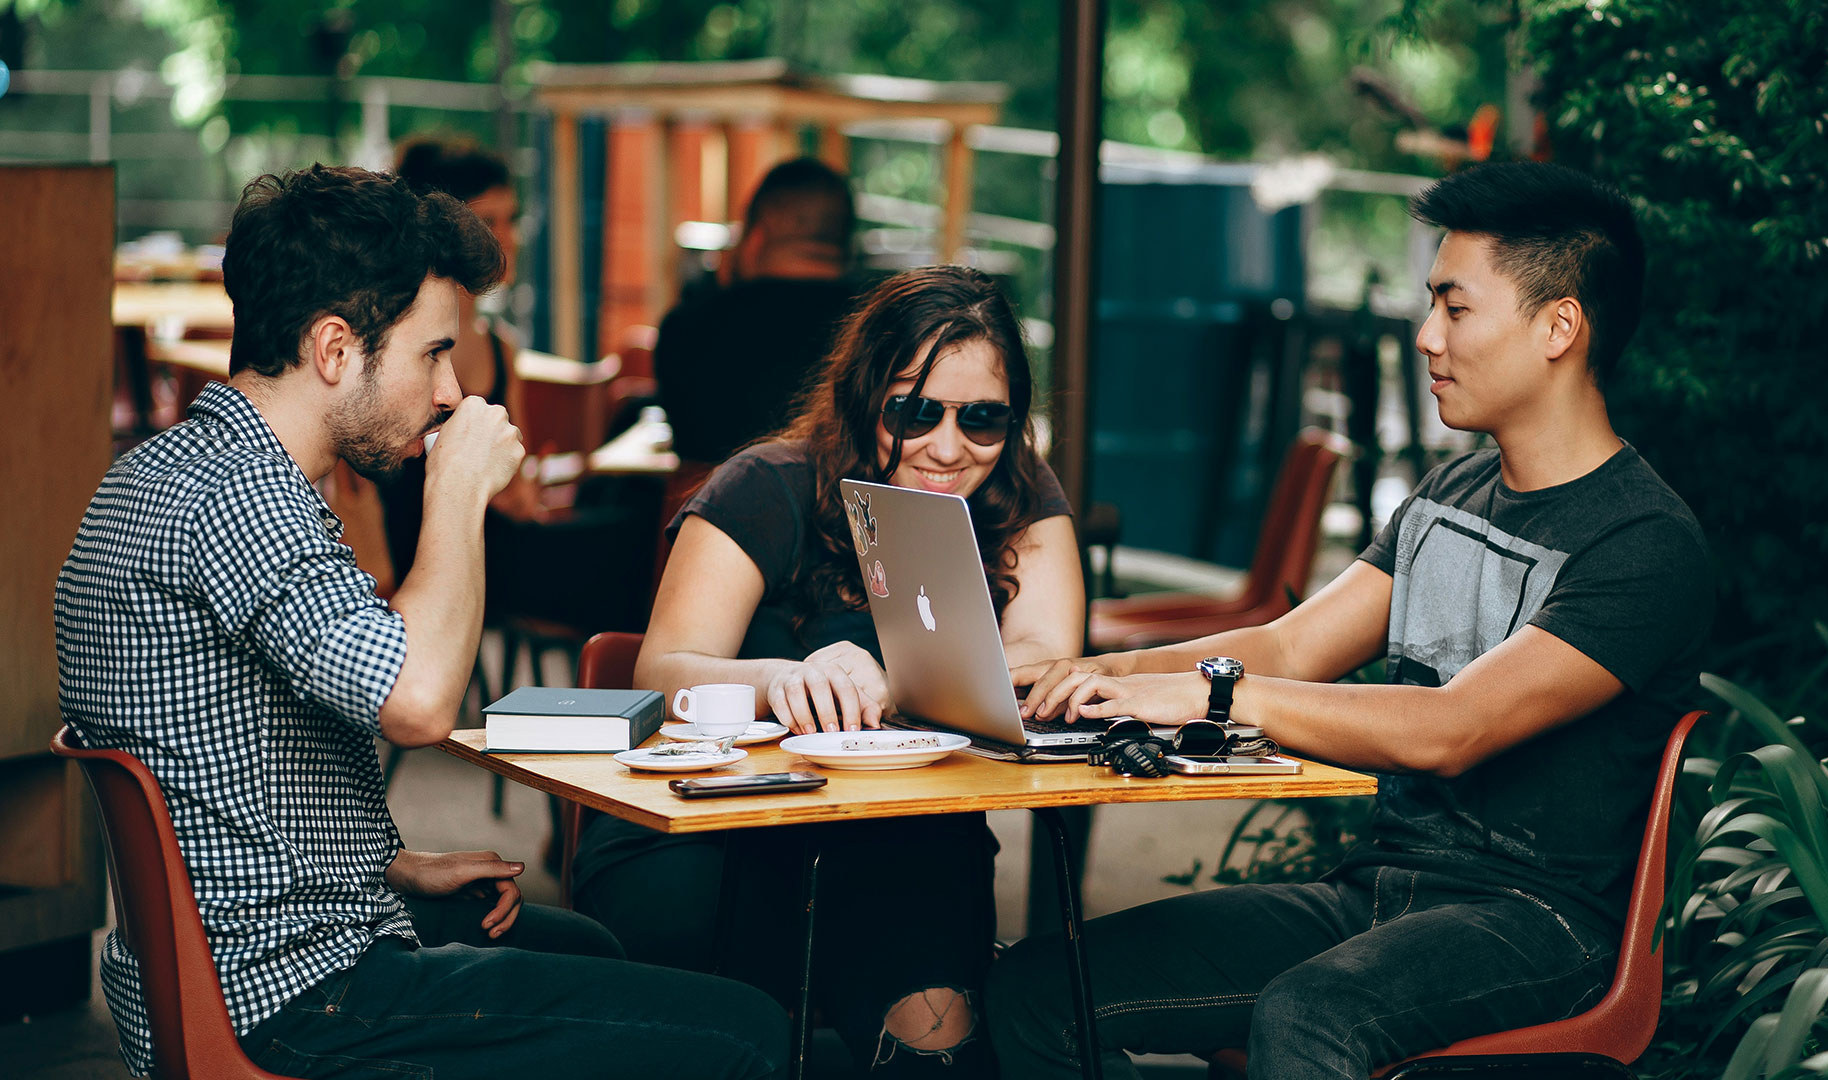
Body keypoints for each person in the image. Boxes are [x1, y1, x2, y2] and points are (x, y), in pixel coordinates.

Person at [54, 164, 788, 1080]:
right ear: (334, 349)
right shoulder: (242, 499)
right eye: (432, 353)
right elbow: (419, 703)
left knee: (594, 951)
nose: (449, 391)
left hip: (234, 961)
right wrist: (457, 493)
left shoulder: (161, 475)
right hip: (298, 997)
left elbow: (223, 762)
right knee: (743, 1032)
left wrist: (389, 868)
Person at [991, 161, 1714, 1079]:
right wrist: (1097, 677)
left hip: (1541, 921)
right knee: (1040, 990)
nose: (1425, 337)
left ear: (1559, 327)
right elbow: (1293, 643)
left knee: (1310, 1017)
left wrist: (1214, 700)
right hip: (1379, 893)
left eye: (1456, 308)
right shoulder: (1451, 492)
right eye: (1432, 305)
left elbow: (1455, 728)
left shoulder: (1643, 542)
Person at [572, 265, 1085, 1075]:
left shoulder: (1017, 490)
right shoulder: (765, 485)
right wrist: (783, 680)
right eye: (915, 413)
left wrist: (899, 678)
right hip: (721, 835)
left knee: (941, 1053)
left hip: (901, 844)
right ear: (863, 395)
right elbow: (661, 666)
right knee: (737, 1035)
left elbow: (1048, 652)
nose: (949, 448)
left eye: (983, 419)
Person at [378, 135, 649, 631]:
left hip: (499, 543)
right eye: (488, 223)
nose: (508, 238)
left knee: (637, 513)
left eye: (512, 220)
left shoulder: (501, 348)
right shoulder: (397, 345)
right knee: (642, 539)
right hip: (442, 554)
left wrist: (535, 484)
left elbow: (517, 487)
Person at [653, 156, 865, 463]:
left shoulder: (685, 327)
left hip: (710, 508)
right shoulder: (878, 328)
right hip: (838, 510)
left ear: (755, 238)